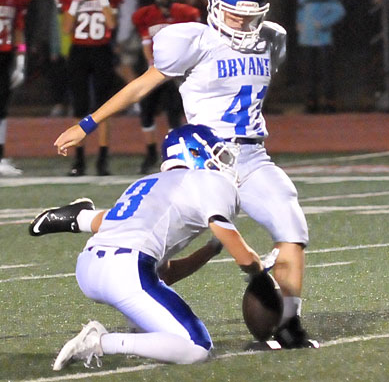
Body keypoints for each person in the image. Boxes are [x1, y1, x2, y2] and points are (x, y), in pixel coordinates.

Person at [54, 0, 319, 349]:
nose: (244, 26)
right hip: (203, 157)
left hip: (251, 156)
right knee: (158, 236)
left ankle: (289, 322)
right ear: (214, 4)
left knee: (291, 226)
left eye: (252, 17)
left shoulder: (272, 38)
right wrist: (87, 125)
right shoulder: (193, 40)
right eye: (235, 15)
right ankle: (90, 230)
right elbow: (139, 87)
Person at [31, 124, 273, 370]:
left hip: (90, 268)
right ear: (195, 153)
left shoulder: (146, 183)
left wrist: (210, 249)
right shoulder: (209, 181)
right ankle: (100, 341)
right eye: (217, 154)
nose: (222, 162)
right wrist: (261, 275)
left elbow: (164, 274)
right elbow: (245, 260)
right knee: (197, 347)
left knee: (153, 290)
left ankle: (80, 218)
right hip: (125, 271)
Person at [56, 0, 125, 176]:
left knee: (103, 107)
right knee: (80, 105)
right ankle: (79, 160)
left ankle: (103, 160)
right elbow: (66, 28)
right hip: (79, 51)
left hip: (102, 51)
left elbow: (112, 24)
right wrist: (77, 1)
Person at [132, 0, 201, 174]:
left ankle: (175, 154)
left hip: (179, 72)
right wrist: (155, 67)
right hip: (155, 70)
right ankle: (151, 153)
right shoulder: (145, 15)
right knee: (146, 113)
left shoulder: (186, 13)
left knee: (174, 114)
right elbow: (146, 45)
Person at [296, 0, 345, 113]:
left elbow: (339, 11)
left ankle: (329, 102)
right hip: (306, 40)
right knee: (309, 73)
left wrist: (323, 23)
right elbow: (300, 11)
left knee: (326, 73)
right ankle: (311, 102)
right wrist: (300, 24)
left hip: (323, 40)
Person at [0, 0, 29, 176]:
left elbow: (18, 28)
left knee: (1, 108)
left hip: (4, 55)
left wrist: (20, 58)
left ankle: (0, 157)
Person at [106, 0, 141, 88]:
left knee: (127, 70)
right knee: (120, 68)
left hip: (128, 39)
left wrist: (121, 41)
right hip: (122, 38)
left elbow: (128, 18)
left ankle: (139, 103)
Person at [48, 0, 72, 117]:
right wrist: (53, 49)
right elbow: (53, 26)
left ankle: (72, 105)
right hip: (58, 46)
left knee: (72, 78)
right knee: (57, 77)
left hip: (71, 45)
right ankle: (59, 104)